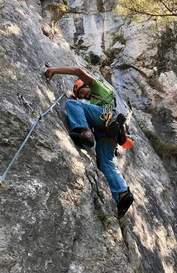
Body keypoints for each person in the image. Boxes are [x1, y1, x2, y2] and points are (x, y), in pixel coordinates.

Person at [44, 66, 134, 217]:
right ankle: (123, 193)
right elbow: (86, 108)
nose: (83, 95)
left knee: (72, 104)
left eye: (82, 91)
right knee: (105, 163)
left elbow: (78, 71)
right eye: (80, 94)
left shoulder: (97, 87)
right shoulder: (91, 102)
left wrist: (54, 70)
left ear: (86, 85)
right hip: (106, 130)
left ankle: (85, 132)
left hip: (106, 116)